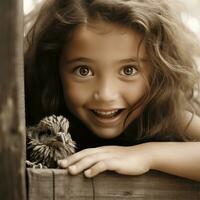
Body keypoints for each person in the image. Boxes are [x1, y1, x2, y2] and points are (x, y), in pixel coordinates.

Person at [25, 0, 200, 181]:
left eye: (128, 70)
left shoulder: (163, 114)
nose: (106, 95)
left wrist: (148, 155)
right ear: (54, 68)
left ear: (158, 73)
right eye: (83, 71)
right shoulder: (37, 120)